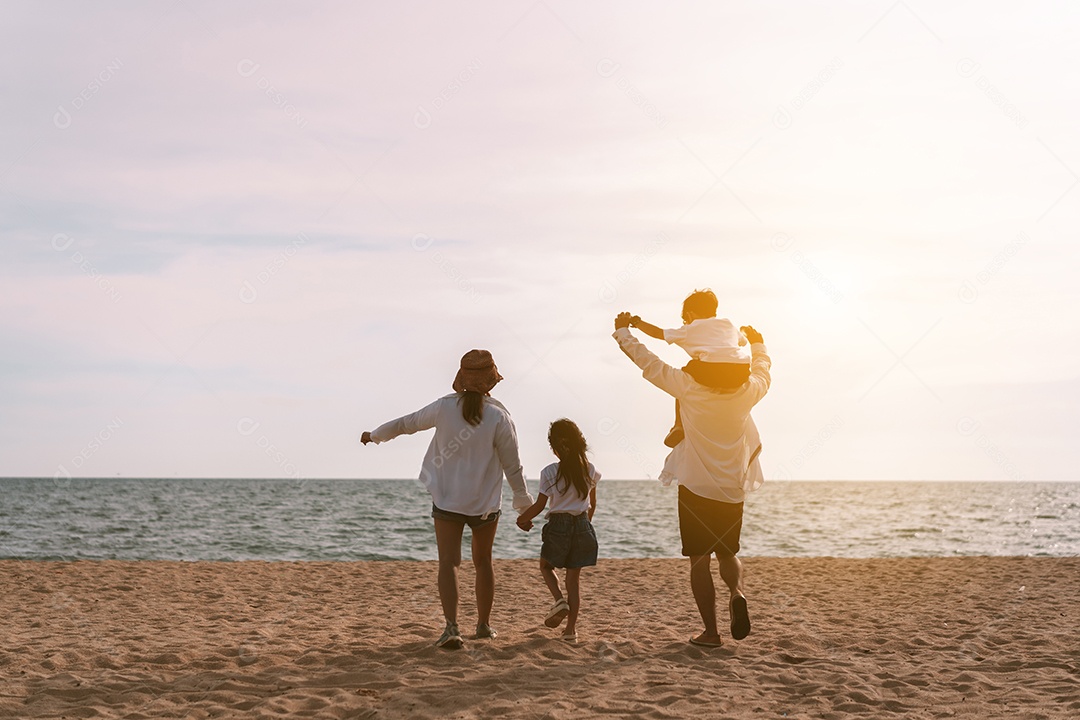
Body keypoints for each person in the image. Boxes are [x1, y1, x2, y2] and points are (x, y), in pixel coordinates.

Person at [611, 311, 771, 648]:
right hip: (732, 489)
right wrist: (757, 343)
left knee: (699, 560)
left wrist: (623, 332)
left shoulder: (689, 386)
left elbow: (649, 363)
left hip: (696, 487)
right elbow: (763, 372)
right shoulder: (748, 391)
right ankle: (737, 592)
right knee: (728, 553)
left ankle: (711, 633)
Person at [360, 349, 534, 650]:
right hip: (485, 506)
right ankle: (482, 626)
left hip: (447, 502)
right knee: (483, 563)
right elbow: (513, 466)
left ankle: (452, 628)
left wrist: (375, 435)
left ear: (462, 378)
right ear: (491, 381)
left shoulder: (443, 408)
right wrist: (524, 506)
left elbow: (405, 424)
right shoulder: (499, 417)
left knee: (449, 563)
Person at [629, 289, 751, 448]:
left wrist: (637, 322)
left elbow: (658, 333)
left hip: (711, 370)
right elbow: (743, 341)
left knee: (683, 377)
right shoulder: (728, 324)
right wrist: (744, 332)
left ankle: (678, 425)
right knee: (700, 370)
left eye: (684, 319)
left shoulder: (689, 329)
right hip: (740, 372)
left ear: (690, 314)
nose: (684, 323)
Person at [516, 419, 599, 643]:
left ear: (554, 447)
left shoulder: (550, 472)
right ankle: (570, 631)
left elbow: (541, 505)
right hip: (582, 524)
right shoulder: (590, 470)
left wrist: (522, 519)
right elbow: (592, 504)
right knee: (574, 580)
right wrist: (585, 524)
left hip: (558, 525)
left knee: (546, 566)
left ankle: (559, 600)